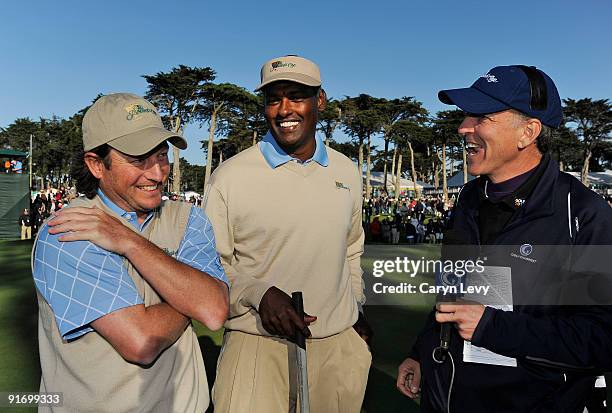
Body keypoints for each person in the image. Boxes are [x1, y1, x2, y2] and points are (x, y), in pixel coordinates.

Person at [397, 66, 612, 412]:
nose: (463, 127)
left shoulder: (583, 215)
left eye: (481, 116)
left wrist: (492, 327)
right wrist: (422, 352)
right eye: (466, 115)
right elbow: (454, 292)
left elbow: (602, 339)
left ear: (528, 132)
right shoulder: (468, 198)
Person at [32, 93, 229, 412]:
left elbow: (214, 311)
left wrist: (129, 241)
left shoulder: (188, 218)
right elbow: (141, 342)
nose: (156, 173)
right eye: (139, 160)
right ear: (96, 164)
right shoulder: (68, 231)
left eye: (162, 156)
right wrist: (189, 296)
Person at [204, 55, 371, 413]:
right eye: (273, 99)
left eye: (296, 96)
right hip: (255, 345)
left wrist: (354, 309)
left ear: (320, 101)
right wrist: (258, 294)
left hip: (336, 349)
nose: (284, 110)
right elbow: (207, 268)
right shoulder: (230, 176)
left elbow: (352, 248)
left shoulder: (347, 170)